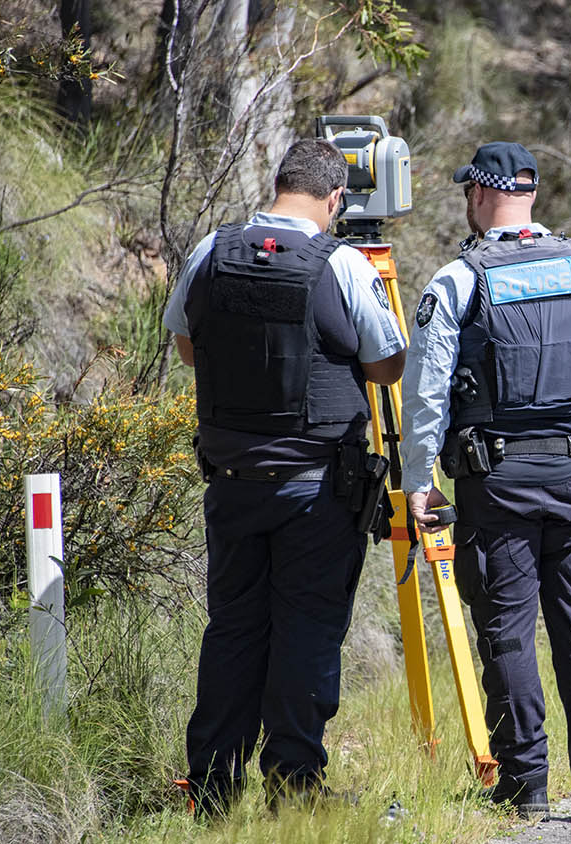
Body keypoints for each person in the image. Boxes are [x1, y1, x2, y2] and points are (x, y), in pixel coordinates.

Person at [400, 142, 571, 824]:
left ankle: (526, 787)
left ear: (482, 196)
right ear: (531, 195)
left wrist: (419, 479)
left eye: (469, 192)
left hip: (498, 481)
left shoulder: (460, 279)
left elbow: (428, 391)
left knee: (510, 631)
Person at [163, 138, 406, 815]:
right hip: (317, 490)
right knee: (307, 630)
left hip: (233, 482)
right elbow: (388, 365)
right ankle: (293, 786)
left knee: (233, 630)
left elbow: (186, 344)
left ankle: (212, 789)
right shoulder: (344, 263)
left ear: (279, 184)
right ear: (336, 199)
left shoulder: (213, 249)